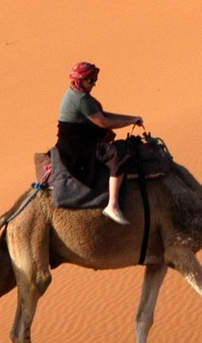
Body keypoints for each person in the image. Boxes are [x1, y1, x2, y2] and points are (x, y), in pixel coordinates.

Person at [55, 60, 148, 225]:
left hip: (77, 141)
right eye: (90, 80)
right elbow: (104, 123)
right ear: (80, 80)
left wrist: (132, 119)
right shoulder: (80, 99)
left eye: (94, 80)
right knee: (117, 157)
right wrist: (130, 120)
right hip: (78, 147)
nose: (94, 84)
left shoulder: (76, 94)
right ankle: (112, 205)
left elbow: (102, 115)